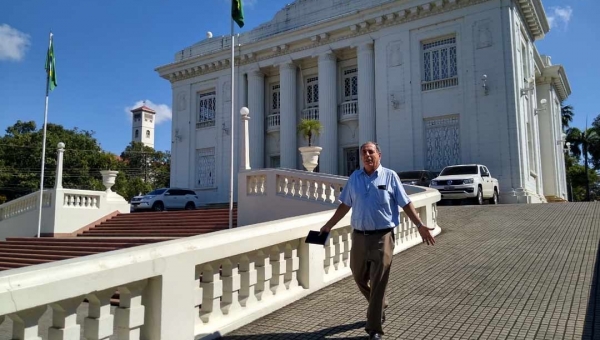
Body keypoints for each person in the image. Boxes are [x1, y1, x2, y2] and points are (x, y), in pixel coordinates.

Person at [319, 141, 436, 340]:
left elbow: (405, 203)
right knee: (358, 276)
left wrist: (420, 225)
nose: (367, 155)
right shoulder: (355, 177)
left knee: (379, 281)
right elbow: (345, 205)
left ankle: (374, 328)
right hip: (359, 237)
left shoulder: (390, 176)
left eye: (370, 151)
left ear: (379, 155)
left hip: (383, 237)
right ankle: (380, 303)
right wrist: (328, 225)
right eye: (363, 152)